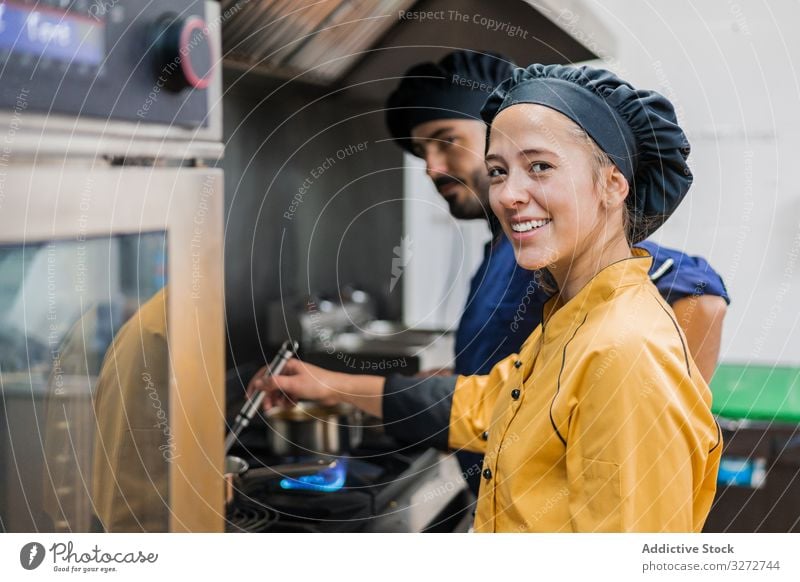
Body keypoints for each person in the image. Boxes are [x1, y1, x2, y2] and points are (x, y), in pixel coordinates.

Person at [253, 63, 722, 532]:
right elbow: (490, 404)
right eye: (498, 171)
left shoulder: (625, 350)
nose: (509, 194)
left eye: (540, 166)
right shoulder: (568, 317)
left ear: (612, 184)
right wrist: (331, 385)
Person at [384, 51, 728, 495]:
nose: (431, 167)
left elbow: (703, 294)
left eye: (446, 141)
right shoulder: (511, 255)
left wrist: (659, 422)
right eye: (421, 152)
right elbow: (524, 379)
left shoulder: (562, 254)